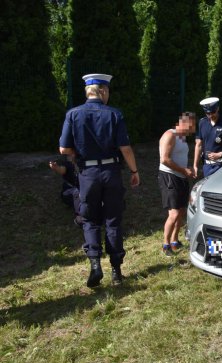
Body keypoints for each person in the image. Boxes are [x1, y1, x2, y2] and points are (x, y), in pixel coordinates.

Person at [59, 73, 140, 288]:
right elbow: (126, 148)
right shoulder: (114, 114)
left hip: (87, 174)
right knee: (113, 219)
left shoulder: (73, 114)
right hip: (111, 172)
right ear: (103, 91)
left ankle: (95, 265)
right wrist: (134, 171)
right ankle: (116, 270)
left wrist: (79, 155)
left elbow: (64, 149)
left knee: (90, 219)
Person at [158, 112, 195, 256]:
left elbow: (179, 158)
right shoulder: (170, 135)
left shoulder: (182, 138)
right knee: (173, 213)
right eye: (191, 126)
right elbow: (164, 159)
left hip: (181, 177)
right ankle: (165, 245)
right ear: (183, 123)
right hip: (169, 177)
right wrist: (183, 170)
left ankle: (174, 240)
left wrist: (187, 170)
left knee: (181, 211)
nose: (192, 130)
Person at [193, 97, 222, 177]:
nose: (211, 115)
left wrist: (220, 154)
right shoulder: (202, 122)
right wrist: (195, 165)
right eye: (208, 113)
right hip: (207, 166)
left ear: (217, 108)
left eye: (213, 112)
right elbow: (199, 145)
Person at [49, 157, 83, 226]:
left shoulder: (85, 163)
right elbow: (62, 170)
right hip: (69, 193)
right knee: (77, 192)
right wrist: (56, 168)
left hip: (84, 190)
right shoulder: (68, 164)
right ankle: (79, 216)